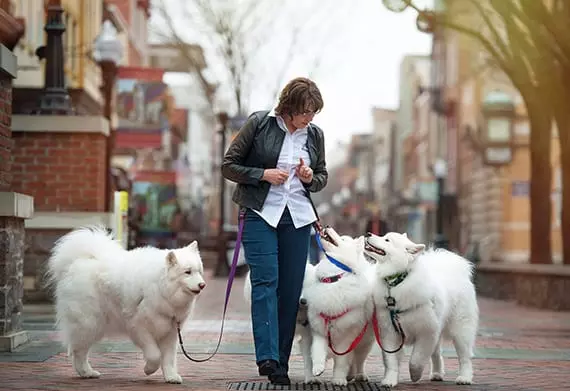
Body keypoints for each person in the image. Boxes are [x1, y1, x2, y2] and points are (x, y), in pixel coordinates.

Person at [222, 77, 328, 385]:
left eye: (314, 112)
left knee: (291, 291)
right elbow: (229, 165)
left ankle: (281, 363)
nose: (310, 117)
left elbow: (322, 177)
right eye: (306, 110)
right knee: (266, 280)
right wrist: (263, 174)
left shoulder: (315, 135)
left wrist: (309, 177)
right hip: (259, 213)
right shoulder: (259, 123)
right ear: (290, 106)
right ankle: (267, 356)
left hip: (297, 218)